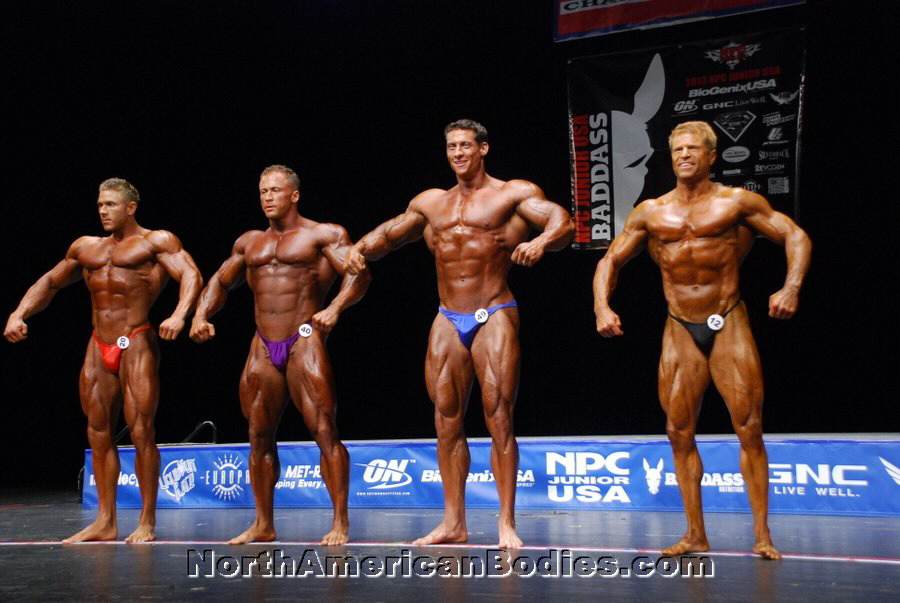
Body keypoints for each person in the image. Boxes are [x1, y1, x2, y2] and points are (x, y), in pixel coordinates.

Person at [344, 119, 574, 548]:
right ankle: (454, 522)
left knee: (498, 415)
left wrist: (540, 243)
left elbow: (562, 222)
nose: (458, 153)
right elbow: (390, 234)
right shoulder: (431, 203)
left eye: (466, 145)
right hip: (448, 316)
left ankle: (506, 523)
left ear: (483, 148)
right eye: (451, 147)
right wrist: (358, 250)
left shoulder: (512, 194)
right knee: (445, 419)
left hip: (495, 310)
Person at [593, 121, 811, 560]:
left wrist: (790, 288)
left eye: (693, 149)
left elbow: (795, 235)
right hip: (679, 326)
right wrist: (601, 306)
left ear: (712, 156)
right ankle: (695, 534)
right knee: (678, 431)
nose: (685, 155)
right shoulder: (651, 211)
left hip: (727, 319)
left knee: (748, 427)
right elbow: (610, 259)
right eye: (678, 150)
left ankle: (762, 535)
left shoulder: (736, 202)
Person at [4, 178, 202, 543]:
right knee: (97, 432)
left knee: (141, 431)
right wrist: (19, 313)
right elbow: (50, 282)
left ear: (131, 207)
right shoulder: (86, 248)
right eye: (99, 204)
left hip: (136, 340)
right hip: (98, 344)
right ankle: (105, 521)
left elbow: (191, 273)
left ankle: (146, 520)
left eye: (110, 204)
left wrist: (179, 314)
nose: (103, 211)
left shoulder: (156, 242)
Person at [190, 165, 369, 545]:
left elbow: (359, 274)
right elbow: (220, 281)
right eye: (263, 191)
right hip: (262, 344)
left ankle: (340, 522)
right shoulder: (249, 243)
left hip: (304, 338)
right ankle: (263, 524)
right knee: (258, 435)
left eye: (275, 190)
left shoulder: (323, 235)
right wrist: (201, 315)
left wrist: (335, 308)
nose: (268, 197)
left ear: (294, 195)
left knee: (324, 431)